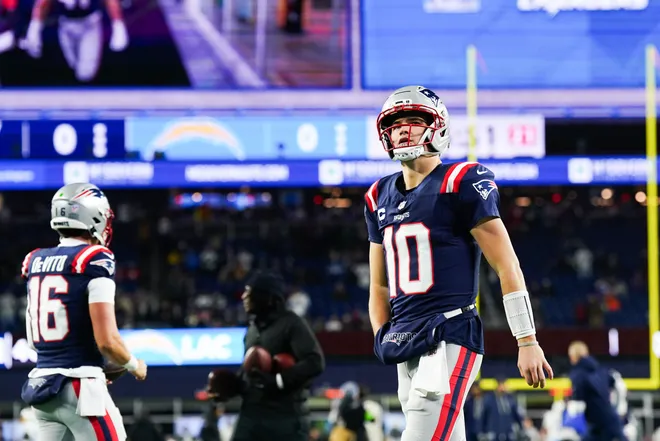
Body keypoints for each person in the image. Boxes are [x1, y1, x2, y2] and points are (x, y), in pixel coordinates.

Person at [364, 85, 553, 441]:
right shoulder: (377, 196)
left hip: (449, 333)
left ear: (438, 128)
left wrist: (527, 340)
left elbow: (507, 265)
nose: (403, 129)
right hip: (405, 336)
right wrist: (380, 332)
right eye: (396, 122)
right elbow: (379, 284)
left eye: (414, 120)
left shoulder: (460, 182)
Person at [20, 182, 147, 441]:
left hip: (42, 388)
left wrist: (95, 365)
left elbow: (35, 342)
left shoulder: (35, 260)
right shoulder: (94, 258)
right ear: (94, 215)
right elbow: (108, 342)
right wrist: (134, 365)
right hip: (79, 388)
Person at [209, 271, 325, 441]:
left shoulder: (292, 323)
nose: (243, 296)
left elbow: (315, 362)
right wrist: (230, 387)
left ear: (270, 297)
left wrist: (279, 380)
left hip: (285, 417)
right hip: (251, 415)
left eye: (250, 291)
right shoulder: (251, 330)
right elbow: (252, 375)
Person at [21, 0, 128, 82]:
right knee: (70, 65)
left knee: (86, 72)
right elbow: (43, 3)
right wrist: (34, 29)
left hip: (89, 24)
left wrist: (118, 26)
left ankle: (86, 96)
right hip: (66, 25)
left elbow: (110, 1)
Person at [568, 341, 625, 441]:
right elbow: (620, 385)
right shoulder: (601, 370)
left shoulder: (578, 374)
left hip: (598, 425)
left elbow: (577, 404)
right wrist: (620, 407)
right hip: (610, 421)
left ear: (573, 356)